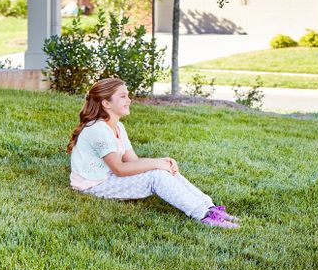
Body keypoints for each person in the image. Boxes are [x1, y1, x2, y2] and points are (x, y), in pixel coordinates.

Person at [67, 77, 240, 228]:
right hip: (93, 185)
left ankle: (209, 207)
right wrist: (157, 164)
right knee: (157, 176)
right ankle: (203, 215)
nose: (129, 100)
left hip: (108, 176)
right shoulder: (98, 129)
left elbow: (132, 161)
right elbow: (120, 169)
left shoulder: (118, 126)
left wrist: (162, 162)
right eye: (123, 96)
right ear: (106, 103)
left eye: (128, 95)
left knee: (164, 169)